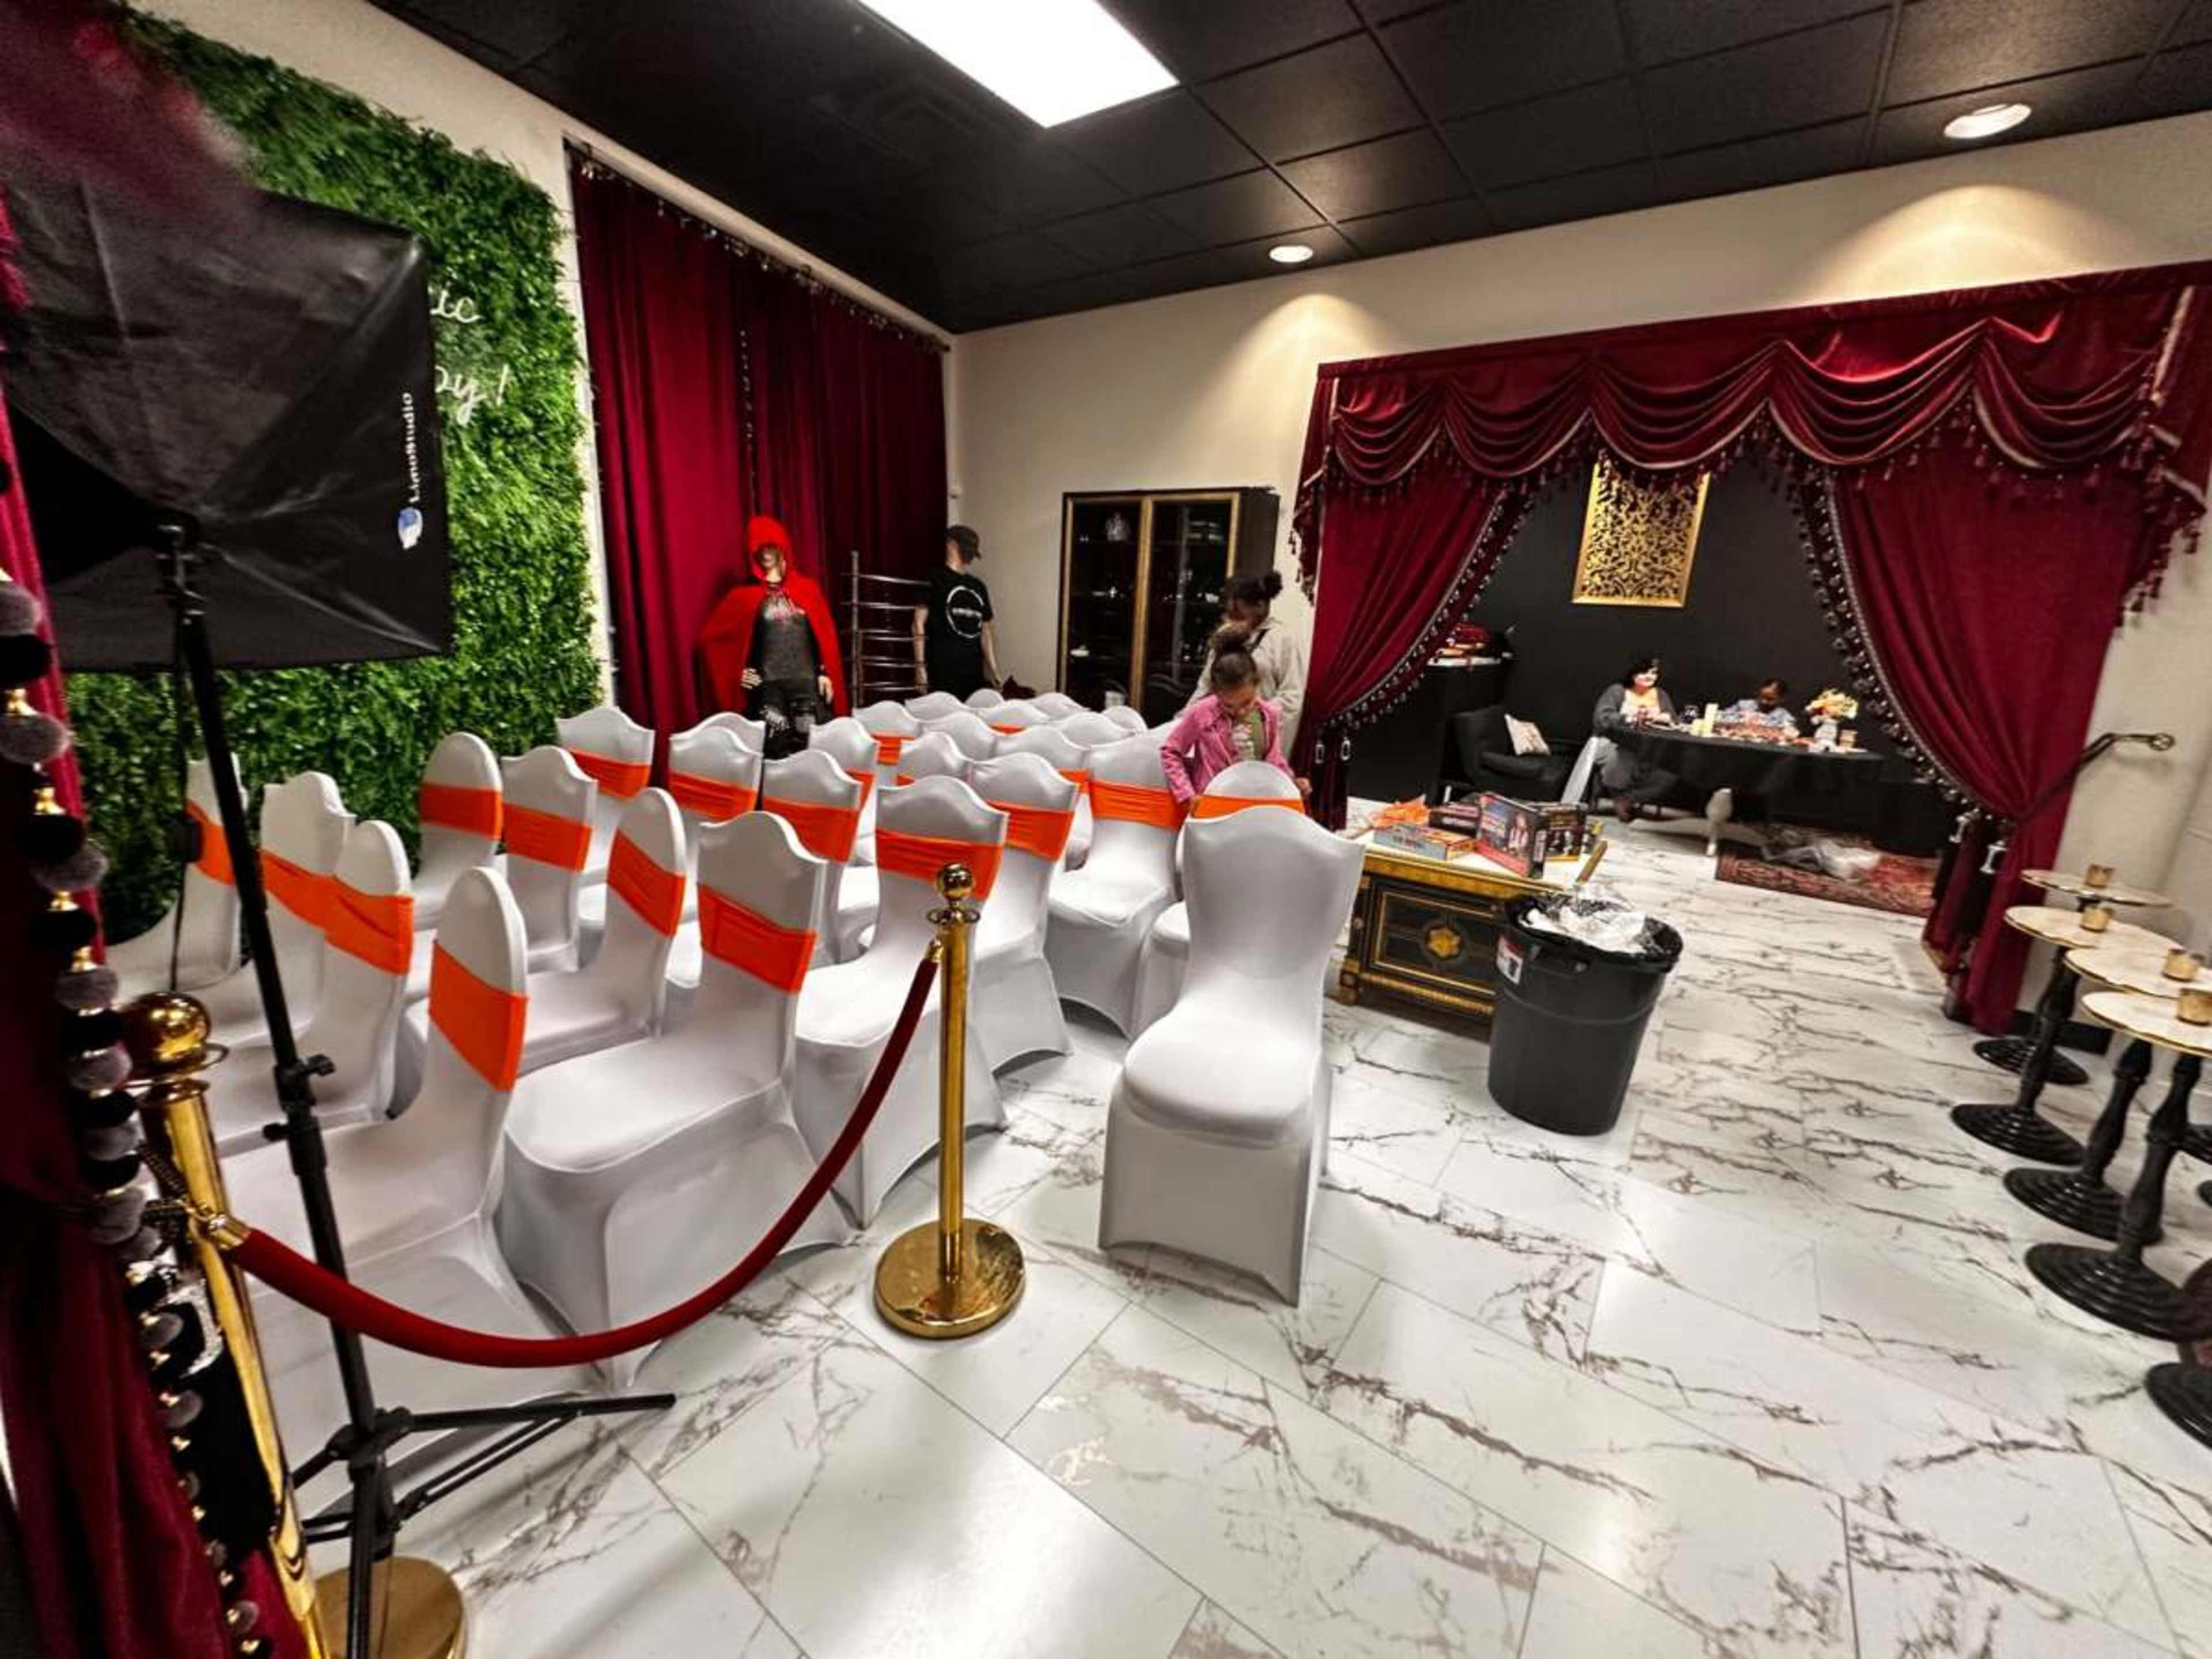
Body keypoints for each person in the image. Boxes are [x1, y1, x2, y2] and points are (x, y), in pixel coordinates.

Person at [696, 514, 847, 756]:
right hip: (770, 690)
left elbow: (822, 637)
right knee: (776, 752)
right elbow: (711, 639)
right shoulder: (743, 597)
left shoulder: (807, 590)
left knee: (813, 751)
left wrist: (824, 671)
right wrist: (736, 671)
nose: (765, 553)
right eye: (759, 548)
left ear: (782, 546)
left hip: (806, 685)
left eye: (770, 546)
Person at [1160, 628, 1302, 805]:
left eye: (1247, 703)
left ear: (1257, 684)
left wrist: (1291, 784)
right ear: (1216, 692)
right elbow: (1170, 751)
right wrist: (1187, 795)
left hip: (1255, 806)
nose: (1240, 712)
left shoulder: (1269, 715)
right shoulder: (1201, 713)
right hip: (1211, 807)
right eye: (1228, 706)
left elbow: (1275, 761)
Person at [1184, 569, 1306, 755]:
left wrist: (1252, 721)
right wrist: (1184, 720)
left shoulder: (1284, 639)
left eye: (1239, 612)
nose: (1232, 616)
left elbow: (1292, 698)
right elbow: (1205, 687)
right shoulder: (1224, 635)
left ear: (1261, 605)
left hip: (1256, 741)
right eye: (1230, 610)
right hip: (1217, 739)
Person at [914, 524, 1001, 700]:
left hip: (973, 672)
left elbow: (986, 630)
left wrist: (994, 670)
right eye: (967, 548)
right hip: (942, 671)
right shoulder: (934, 578)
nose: (970, 556)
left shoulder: (978, 586)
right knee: (944, 723)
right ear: (952, 544)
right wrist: (920, 667)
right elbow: (918, 623)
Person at [1592, 655, 1677, 821]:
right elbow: (1601, 719)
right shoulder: (1617, 691)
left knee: (1670, 773)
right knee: (1623, 757)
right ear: (1632, 674)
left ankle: (1627, 799)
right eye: (1643, 672)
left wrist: (1664, 718)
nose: (1649, 676)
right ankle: (1617, 794)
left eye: (1653, 673)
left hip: (1649, 747)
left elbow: (1674, 722)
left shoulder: (1661, 695)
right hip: (1612, 743)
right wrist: (1628, 718)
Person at [1723, 677, 1798, 736]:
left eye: (1770, 699)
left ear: (1782, 699)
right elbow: (1723, 717)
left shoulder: (1785, 717)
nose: (1763, 701)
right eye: (1761, 697)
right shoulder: (1743, 705)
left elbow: (1791, 733)